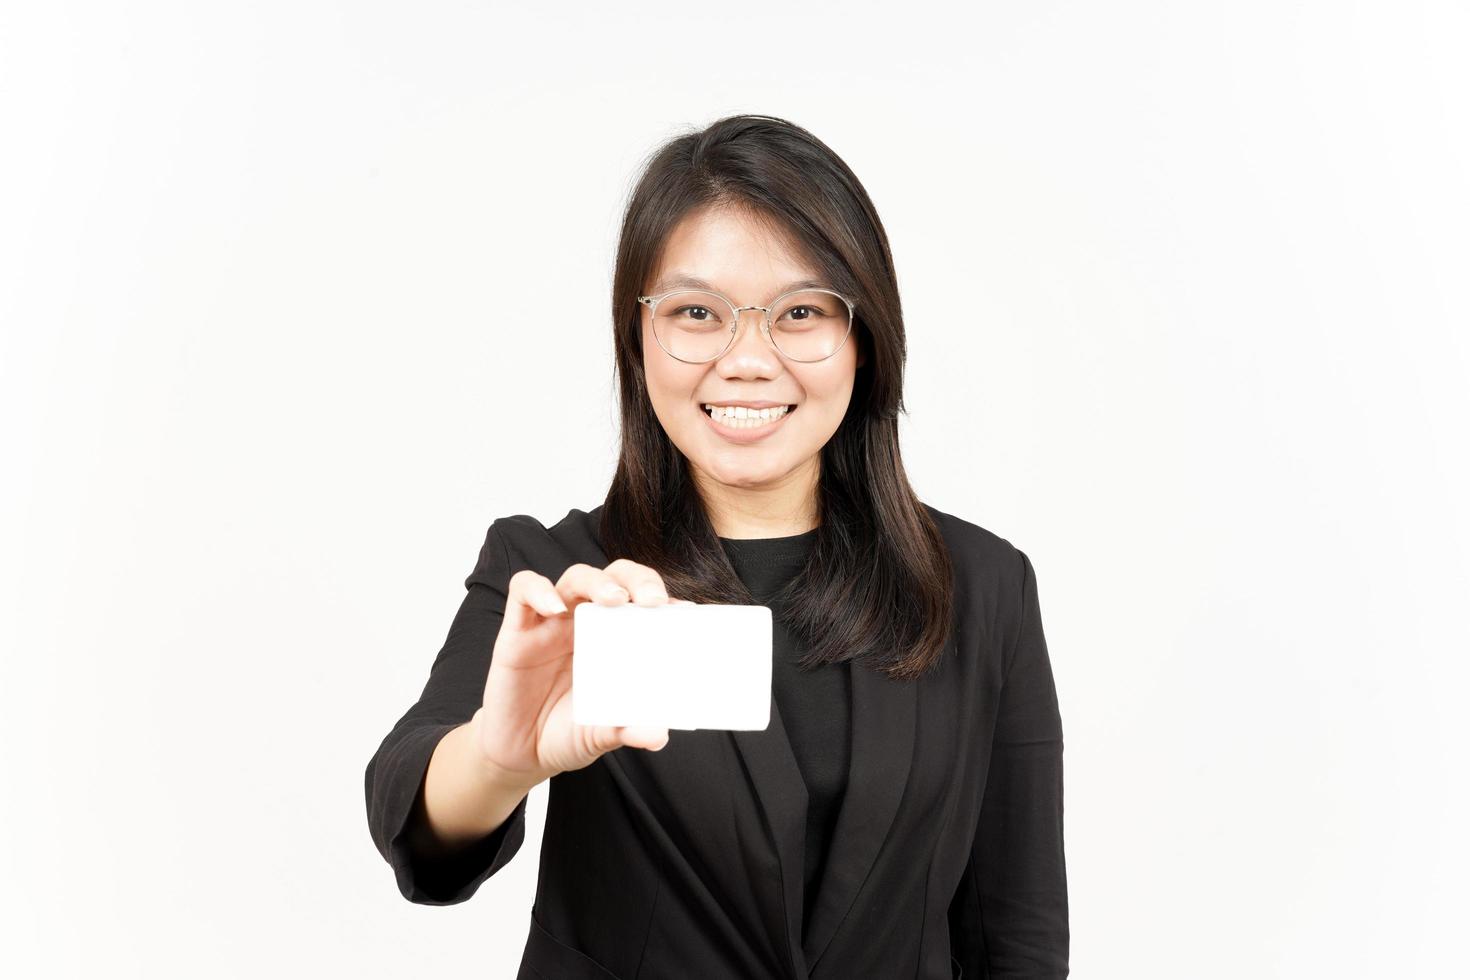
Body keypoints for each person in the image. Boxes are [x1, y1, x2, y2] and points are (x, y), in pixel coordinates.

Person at [363, 114, 1069, 979]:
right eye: (697, 312)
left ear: (865, 339)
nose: (747, 360)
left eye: (801, 311)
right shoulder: (560, 579)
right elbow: (417, 828)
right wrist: (498, 758)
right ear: (638, 337)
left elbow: (1018, 941)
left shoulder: (983, 586)